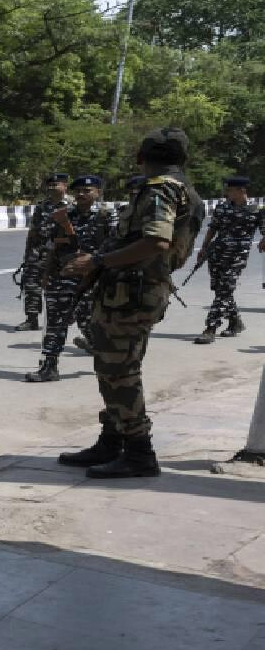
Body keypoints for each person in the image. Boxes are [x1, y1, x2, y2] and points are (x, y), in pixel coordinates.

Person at [60, 128, 204, 479]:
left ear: (141, 157)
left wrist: (98, 262)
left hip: (131, 294)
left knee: (120, 372)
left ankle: (139, 453)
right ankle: (113, 440)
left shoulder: (160, 188)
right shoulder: (184, 189)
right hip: (136, 291)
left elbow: (156, 241)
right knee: (115, 368)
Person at [26, 175, 112, 382]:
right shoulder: (62, 216)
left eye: (87, 190)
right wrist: (46, 274)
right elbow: (52, 246)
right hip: (62, 276)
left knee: (87, 320)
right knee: (55, 322)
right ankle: (49, 366)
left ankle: (105, 355)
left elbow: (115, 247)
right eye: (78, 191)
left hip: (92, 278)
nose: (81, 194)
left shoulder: (107, 216)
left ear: (97, 192)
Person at [193, 176, 264, 344]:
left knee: (225, 287)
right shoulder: (222, 207)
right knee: (221, 290)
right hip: (217, 253)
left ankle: (210, 328)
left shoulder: (257, 209)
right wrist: (204, 247)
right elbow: (213, 228)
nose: (227, 193)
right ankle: (235, 322)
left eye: (230, 190)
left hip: (238, 255)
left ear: (242, 191)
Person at [15, 173, 72, 332]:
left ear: (65, 186)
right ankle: (31, 319)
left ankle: (64, 320)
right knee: (31, 285)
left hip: (61, 254)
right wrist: (27, 254)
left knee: (61, 288)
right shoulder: (42, 206)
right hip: (38, 252)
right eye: (51, 185)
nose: (53, 187)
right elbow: (33, 230)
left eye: (57, 184)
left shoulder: (72, 205)